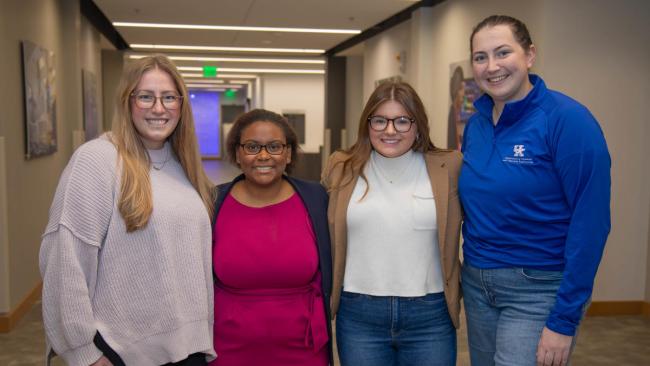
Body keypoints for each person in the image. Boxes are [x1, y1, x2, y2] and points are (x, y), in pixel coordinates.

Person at [39, 55, 216, 366]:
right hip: (120, 352)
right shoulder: (98, 160)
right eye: (146, 96)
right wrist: (85, 354)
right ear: (127, 101)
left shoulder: (183, 165)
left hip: (188, 350)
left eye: (169, 97)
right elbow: (64, 260)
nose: (159, 108)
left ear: (181, 104)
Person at [459, 15, 611, 366]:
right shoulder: (477, 125)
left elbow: (592, 225)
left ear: (529, 55)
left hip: (538, 287)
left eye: (502, 53)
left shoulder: (568, 121)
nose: (492, 66)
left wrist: (564, 319)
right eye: (480, 57)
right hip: (478, 284)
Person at [322, 81, 462, 366]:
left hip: (430, 314)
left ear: (417, 124)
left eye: (401, 121)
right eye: (380, 120)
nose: (389, 130)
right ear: (367, 124)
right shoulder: (341, 167)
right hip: (359, 314)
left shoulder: (448, 166)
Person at [209, 109, 332, 366]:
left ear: (288, 154)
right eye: (252, 147)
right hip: (229, 349)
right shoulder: (211, 202)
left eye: (274, 147)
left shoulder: (317, 199)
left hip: (304, 349)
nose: (263, 156)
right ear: (237, 154)